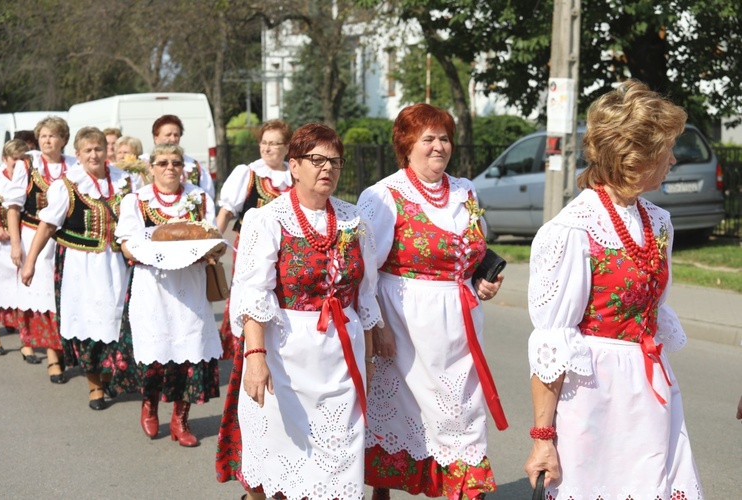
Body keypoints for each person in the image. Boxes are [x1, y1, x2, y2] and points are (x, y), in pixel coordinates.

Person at [523, 81, 703, 498]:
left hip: (652, 389)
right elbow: (552, 343)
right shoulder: (572, 230)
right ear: (633, 157)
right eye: (666, 150)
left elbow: (653, 313)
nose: (674, 159)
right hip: (594, 399)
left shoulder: (659, 222)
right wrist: (543, 437)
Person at [223, 123, 381, 499]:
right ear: (294, 166)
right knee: (284, 453)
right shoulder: (269, 219)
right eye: (317, 160)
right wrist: (256, 356)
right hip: (286, 351)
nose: (328, 168)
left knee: (340, 453)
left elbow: (367, 292)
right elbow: (254, 294)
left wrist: (370, 358)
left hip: (342, 353)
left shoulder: (353, 220)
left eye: (335, 161)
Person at [357, 103, 505, 499]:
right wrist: (378, 328)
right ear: (407, 146)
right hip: (405, 325)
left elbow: (473, 252)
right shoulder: (384, 195)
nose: (438, 147)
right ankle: (381, 491)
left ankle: (465, 490)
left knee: (462, 414)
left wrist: (481, 282)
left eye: (444, 138)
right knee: (399, 415)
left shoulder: (465, 191)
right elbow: (364, 269)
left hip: (459, 324)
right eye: (428, 139)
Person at [115, 142, 222, 446]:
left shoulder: (198, 198)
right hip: (153, 286)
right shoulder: (136, 202)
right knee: (155, 354)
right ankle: (149, 405)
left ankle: (180, 419)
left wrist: (206, 250)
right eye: (162, 163)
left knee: (190, 354)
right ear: (151, 168)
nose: (170, 168)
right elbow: (126, 244)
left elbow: (211, 235)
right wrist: (152, 252)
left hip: (191, 285)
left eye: (175, 162)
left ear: (184, 167)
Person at [20, 128, 132, 410]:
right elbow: (46, 226)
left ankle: (108, 374)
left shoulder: (124, 180)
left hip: (118, 263)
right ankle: (94, 384)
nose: (94, 155)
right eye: (88, 151)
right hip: (80, 266)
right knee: (86, 323)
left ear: (106, 151)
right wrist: (30, 262)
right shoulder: (67, 185)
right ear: (78, 155)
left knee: (115, 321)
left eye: (98, 149)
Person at [2, 116, 77, 382]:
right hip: (33, 234)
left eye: (53, 136)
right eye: (43, 135)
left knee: (66, 295)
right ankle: (53, 356)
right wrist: (15, 243)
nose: (47, 140)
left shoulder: (74, 166)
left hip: (66, 239)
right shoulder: (28, 165)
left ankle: (67, 347)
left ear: (63, 140)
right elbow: (13, 206)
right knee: (43, 298)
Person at [215, 119, 293, 359]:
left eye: (274, 143)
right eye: (264, 142)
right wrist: (215, 243)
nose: (267, 148)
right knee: (250, 298)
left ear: (287, 147)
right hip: (251, 252)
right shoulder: (248, 174)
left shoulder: (295, 175)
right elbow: (226, 212)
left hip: (288, 254)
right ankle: (247, 351)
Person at [0, 140, 28, 355]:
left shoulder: (29, 182)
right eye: (13, 160)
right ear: (4, 160)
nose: (17, 165)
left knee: (22, 292)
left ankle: (27, 342)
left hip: (23, 241)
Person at [140, 115, 215, 198]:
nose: (173, 139)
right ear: (155, 138)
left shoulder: (193, 165)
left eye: (176, 135)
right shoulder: (141, 164)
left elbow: (208, 196)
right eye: (168, 135)